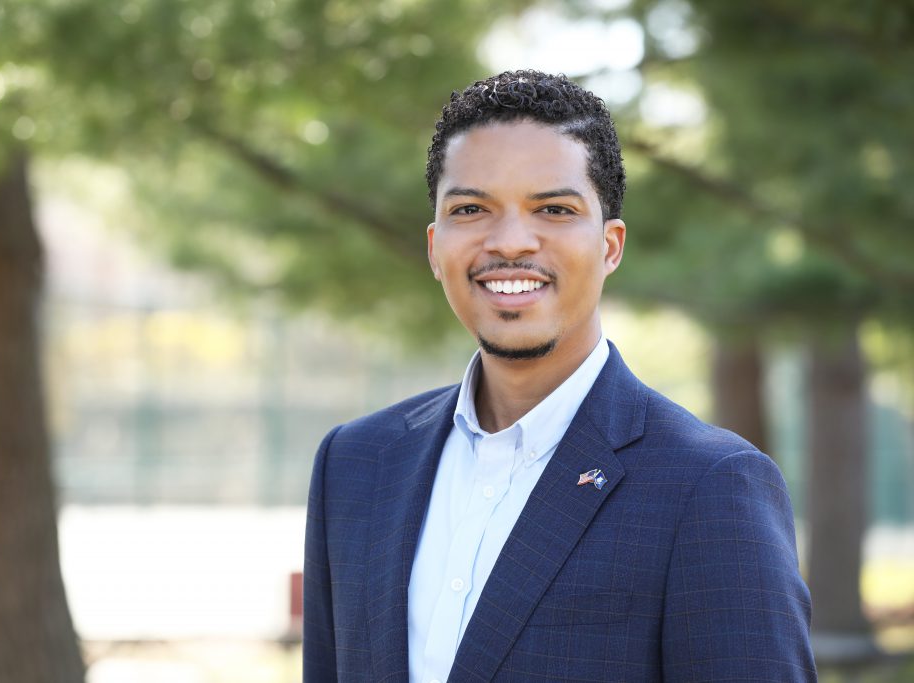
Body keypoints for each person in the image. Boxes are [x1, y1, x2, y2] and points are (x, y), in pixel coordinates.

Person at [303, 69, 815, 682]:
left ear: (610, 246)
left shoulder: (711, 487)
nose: (511, 242)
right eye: (471, 209)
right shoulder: (355, 464)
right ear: (435, 246)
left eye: (553, 209)